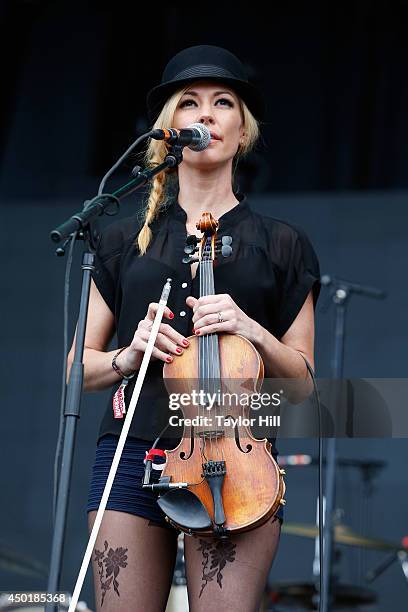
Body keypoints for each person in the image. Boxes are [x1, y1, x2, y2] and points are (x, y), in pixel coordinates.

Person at [68, 45, 321, 612]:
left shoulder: (281, 244)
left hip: (237, 464)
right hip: (133, 456)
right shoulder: (119, 238)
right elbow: (74, 371)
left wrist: (252, 330)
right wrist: (127, 355)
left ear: (242, 130)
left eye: (223, 102)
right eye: (189, 103)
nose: (206, 114)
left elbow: (303, 383)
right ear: (169, 130)